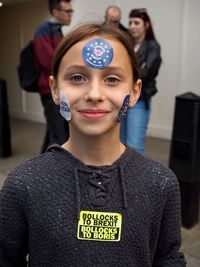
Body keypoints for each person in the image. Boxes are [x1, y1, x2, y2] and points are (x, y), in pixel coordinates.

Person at [0, 22, 186, 266]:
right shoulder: (23, 185)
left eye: (111, 79)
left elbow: (168, 258)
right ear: (55, 90)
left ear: (135, 90)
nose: (94, 94)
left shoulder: (161, 184)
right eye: (77, 77)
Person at [33, 0, 73, 153]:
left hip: (59, 88)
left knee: (54, 131)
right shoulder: (44, 29)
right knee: (59, 135)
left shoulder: (57, 29)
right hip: (50, 90)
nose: (70, 15)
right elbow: (47, 60)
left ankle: (40, 167)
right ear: (56, 12)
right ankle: (55, 173)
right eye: (67, 11)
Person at [120, 8, 162, 154]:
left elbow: (147, 72)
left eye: (136, 22)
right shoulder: (126, 44)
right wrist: (138, 68)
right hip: (122, 98)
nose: (132, 26)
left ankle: (135, 177)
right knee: (120, 142)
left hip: (140, 99)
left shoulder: (152, 47)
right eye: (130, 22)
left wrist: (127, 72)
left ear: (146, 25)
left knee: (134, 146)